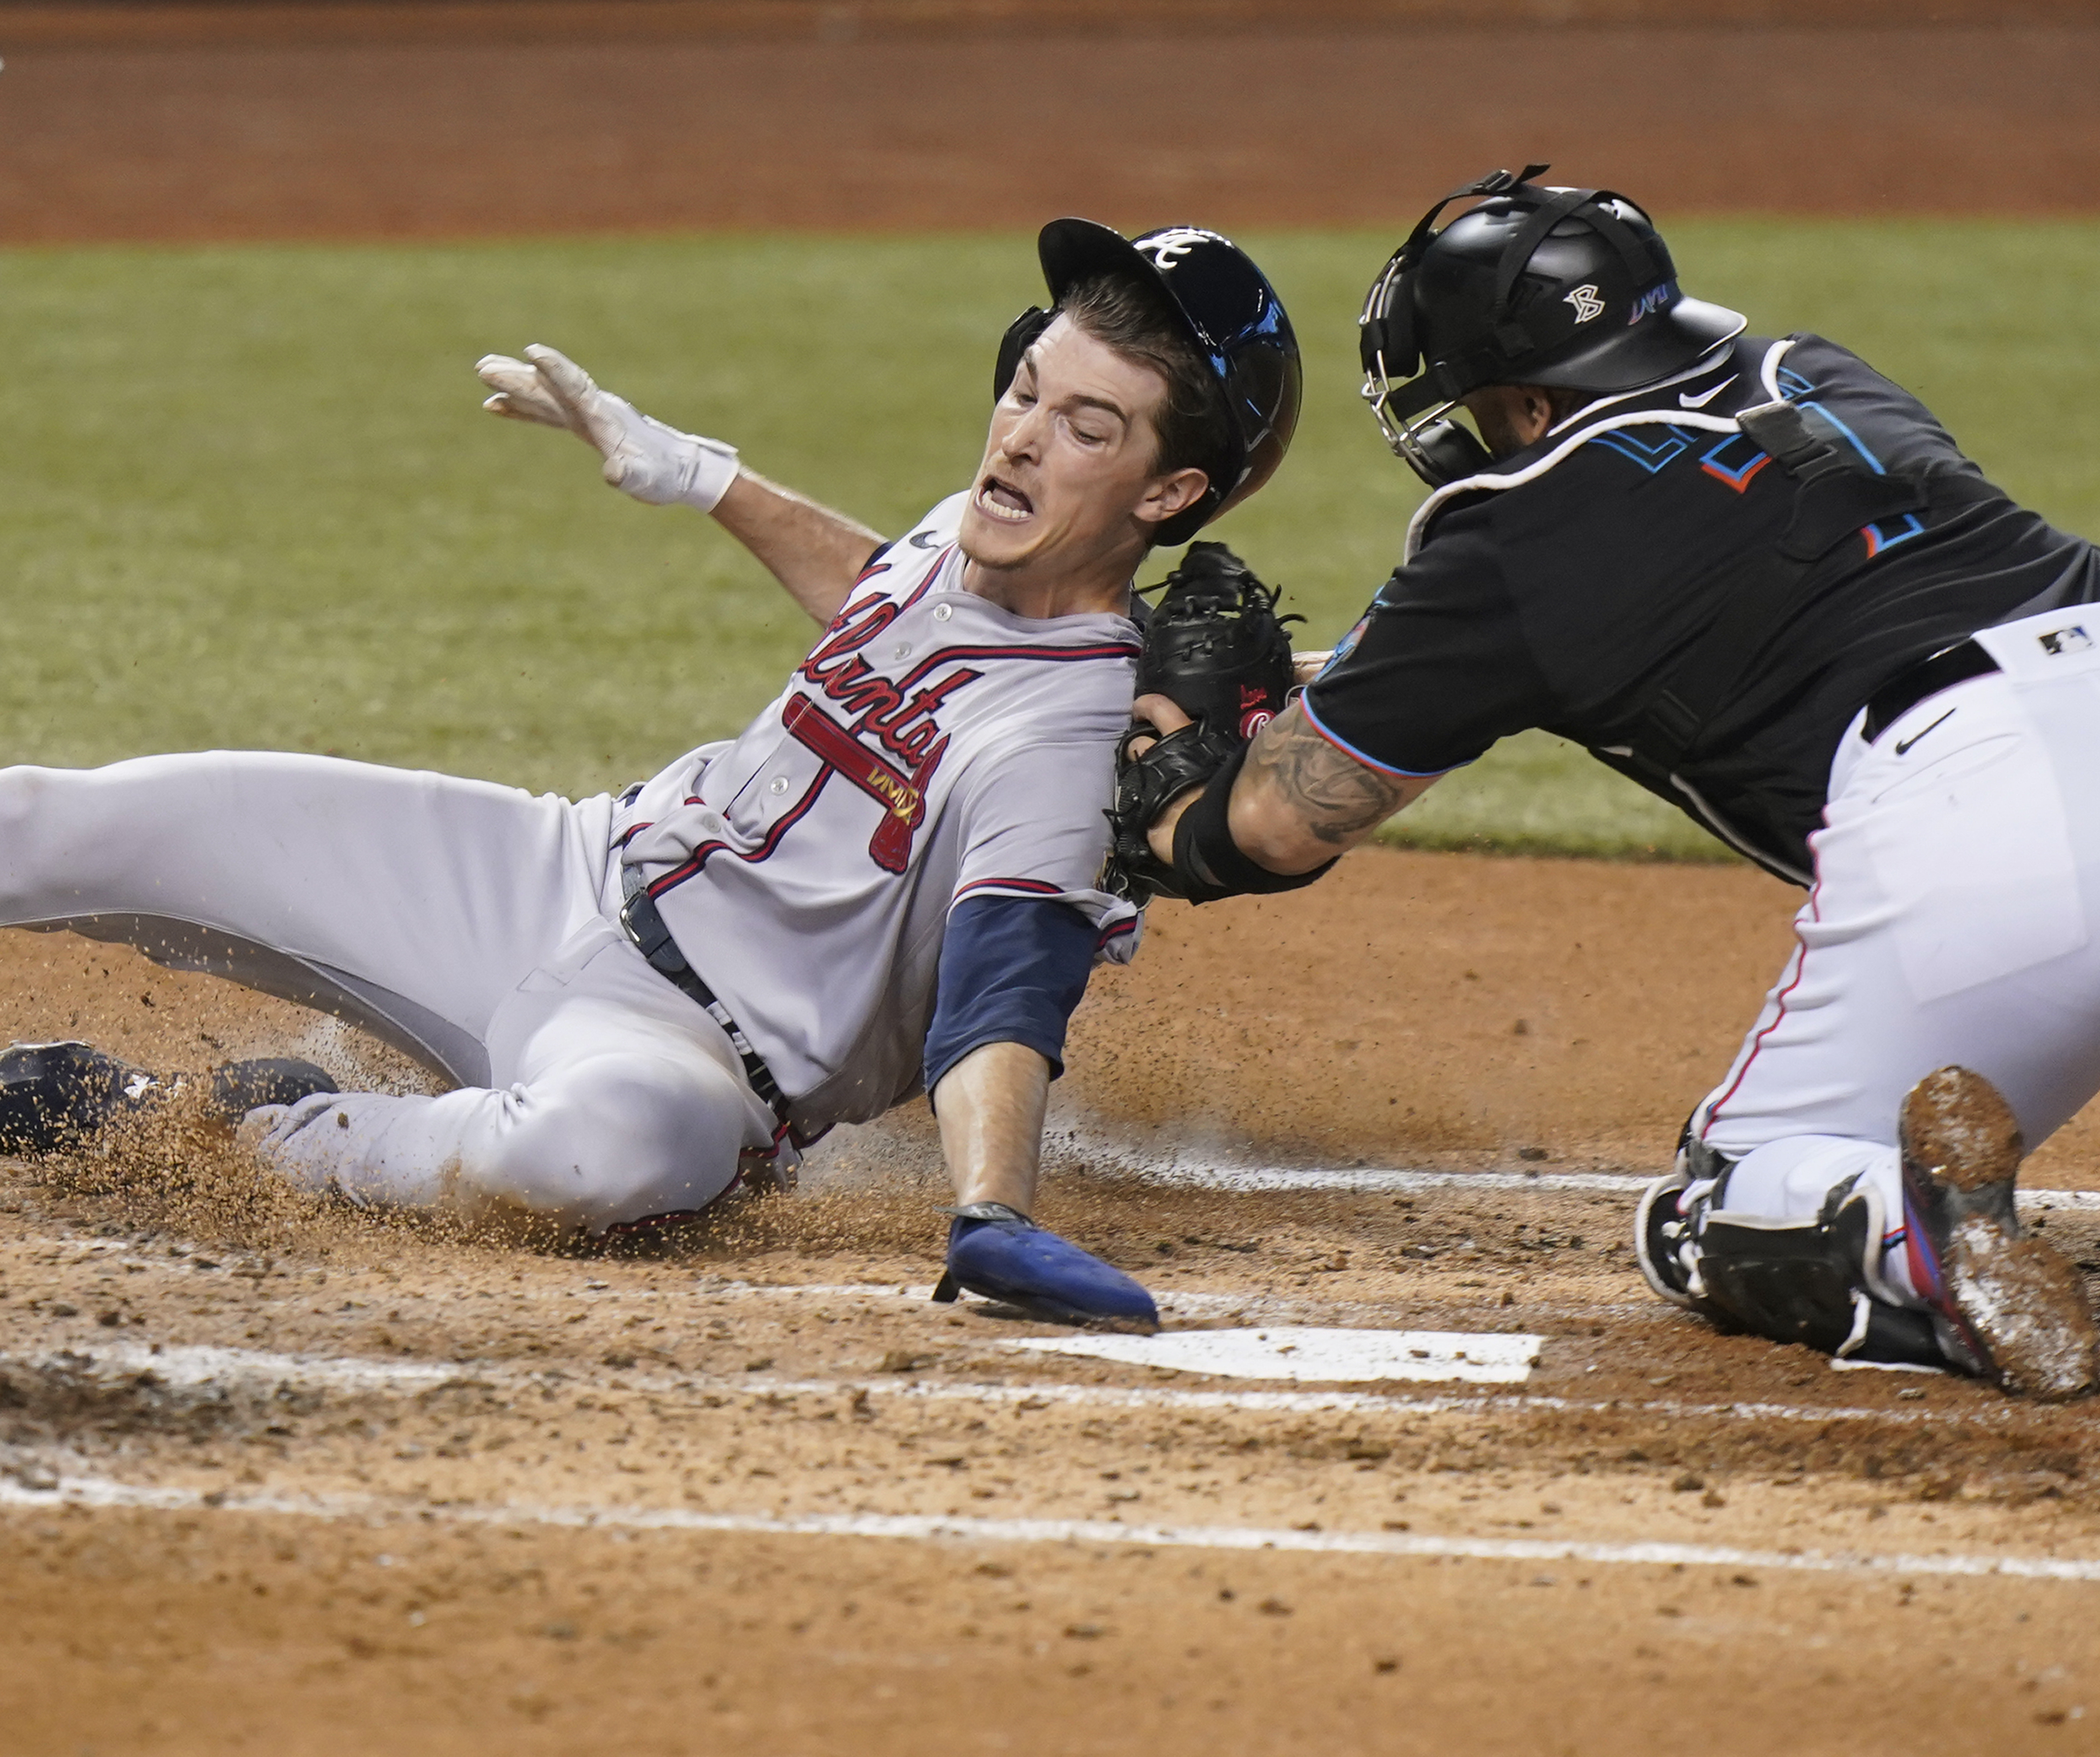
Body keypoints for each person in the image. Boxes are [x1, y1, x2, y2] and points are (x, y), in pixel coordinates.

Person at [1117, 167, 2100, 1395]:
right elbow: (1733, 590)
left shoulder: (1505, 531)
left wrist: (1174, 777)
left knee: (1723, 1211)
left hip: (1989, 833)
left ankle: (1887, 1236)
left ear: (1509, 400)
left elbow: (1264, 824)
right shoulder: (1811, 370)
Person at [0, 219, 1300, 1332]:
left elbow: (1006, 989)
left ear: (1167, 489)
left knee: (593, 1157)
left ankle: (215, 1125)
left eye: (1084, 427)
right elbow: (882, 597)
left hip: (683, 1055)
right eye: (1024, 390)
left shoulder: (1062, 751)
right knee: (65, 821)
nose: (1019, 438)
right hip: (544, 871)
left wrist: (991, 1211)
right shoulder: (975, 537)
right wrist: (706, 478)